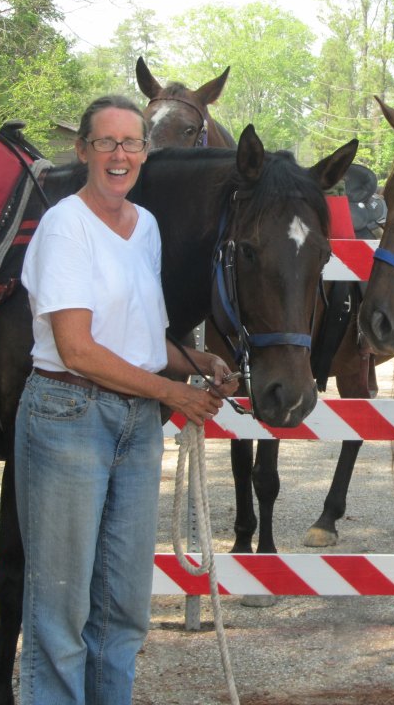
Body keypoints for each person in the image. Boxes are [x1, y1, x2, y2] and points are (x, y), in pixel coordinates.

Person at [15, 94, 237, 705]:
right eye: (106, 142)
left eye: (131, 143)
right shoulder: (66, 225)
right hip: (69, 414)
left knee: (122, 610)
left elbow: (144, 336)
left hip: (136, 424)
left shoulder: (146, 227)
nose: (120, 154)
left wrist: (200, 363)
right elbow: (78, 349)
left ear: (146, 151)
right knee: (60, 611)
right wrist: (175, 394)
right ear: (84, 150)